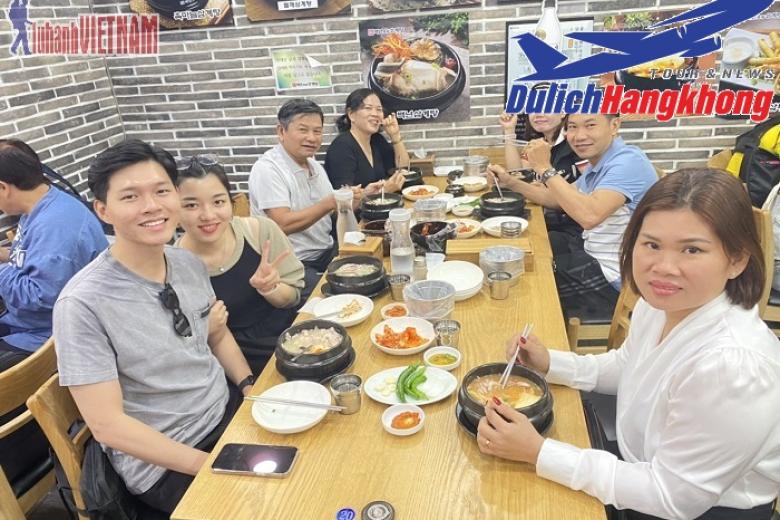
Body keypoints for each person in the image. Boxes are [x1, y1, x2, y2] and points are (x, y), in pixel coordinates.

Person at [478, 169, 780, 520]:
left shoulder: (732, 367)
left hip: (698, 509)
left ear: (736, 260)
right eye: (652, 244)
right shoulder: (662, 305)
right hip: (638, 466)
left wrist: (540, 452)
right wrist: (550, 363)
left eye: (692, 249)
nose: (664, 267)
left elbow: (671, 497)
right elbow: (628, 365)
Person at [53, 140, 255, 514]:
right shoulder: (82, 303)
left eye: (161, 191)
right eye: (130, 196)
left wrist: (250, 388)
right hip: (167, 462)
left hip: (228, 414)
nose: (151, 206)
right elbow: (108, 426)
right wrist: (211, 465)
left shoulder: (187, 263)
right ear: (103, 210)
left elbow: (217, 335)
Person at [488, 113, 657, 319]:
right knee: (532, 250)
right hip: (590, 252)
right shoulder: (601, 161)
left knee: (527, 283)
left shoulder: (628, 162)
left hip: (614, 280)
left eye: (590, 125)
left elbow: (589, 216)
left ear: (614, 125)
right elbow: (557, 199)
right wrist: (511, 183)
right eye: (573, 127)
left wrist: (544, 168)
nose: (579, 136)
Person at [174, 155, 305, 374]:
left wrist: (271, 288)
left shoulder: (260, 231)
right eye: (191, 205)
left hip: (292, 341)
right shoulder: (172, 266)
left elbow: (292, 298)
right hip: (230, 366)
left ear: (231, 202)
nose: (208, 215)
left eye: (218, 202)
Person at [0, 139, 107, 371]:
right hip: (27, 323)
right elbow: (37, 258)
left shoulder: (56, 225)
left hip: (48, 336)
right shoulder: (42, 204)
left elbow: (38, 297)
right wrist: (5, 256)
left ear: (3, 187)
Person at [249, 99, 357, 295]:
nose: (312, 138)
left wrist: (355, 198)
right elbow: (282, 224)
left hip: (326, 251)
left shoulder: (313, 164)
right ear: (281, 131)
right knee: (342, 294)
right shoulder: (268, 169)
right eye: (303, 130)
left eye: (317, 131)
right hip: (292, 263)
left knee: (370, 271)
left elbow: (331, 211)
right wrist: (330, 202)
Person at [325, 88, 409, 193]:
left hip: (385, 202)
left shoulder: (377, 140)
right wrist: (383, 191)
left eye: (379, 109)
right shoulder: (341, 148)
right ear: (351, 114)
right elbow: (344, 196)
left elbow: (403, 169)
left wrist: (395, 135)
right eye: (368, 108)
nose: (375, 114)